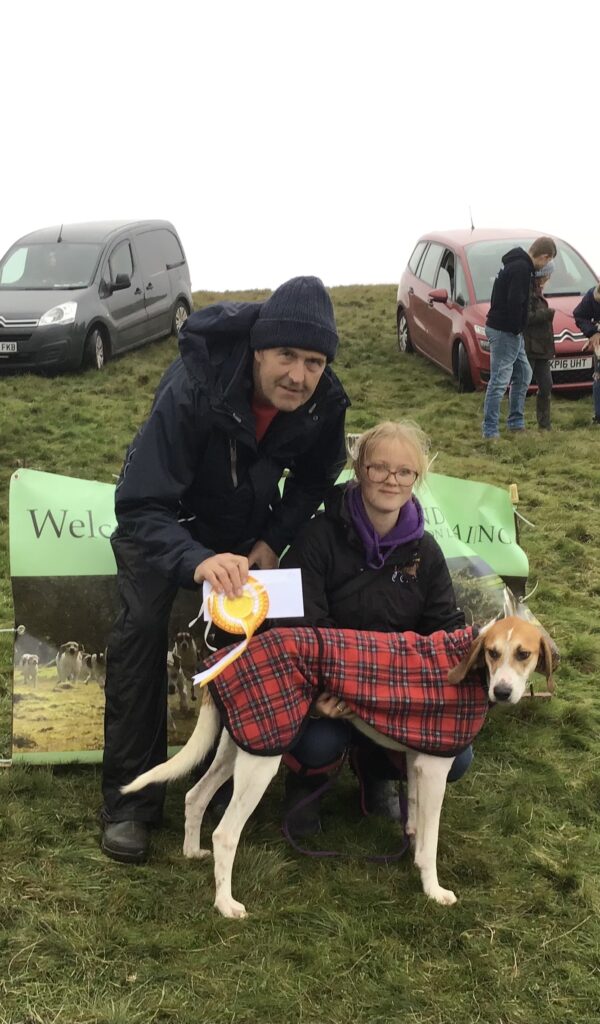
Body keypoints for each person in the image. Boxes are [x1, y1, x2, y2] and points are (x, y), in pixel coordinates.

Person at [101, 276, 350, 863]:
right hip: (161, 524)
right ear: (259, 349)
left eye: (314, 362)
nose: (299, 375)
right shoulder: (193, 384)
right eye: (286, 355)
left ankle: (227, 785)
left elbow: (317, 477)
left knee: (263, 639)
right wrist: (195, 559)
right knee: (140, 634)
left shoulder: (325, 400)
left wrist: (271, 539)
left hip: (244, 532)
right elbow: (139, 503)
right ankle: (130, 805)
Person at [280, 420, 470, 836]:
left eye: (404, 471)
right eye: (379, 467)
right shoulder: (317, 536)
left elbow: (445, 630)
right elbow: (299, 625)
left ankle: (376, 770)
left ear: (417, 478)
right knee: (318, 741)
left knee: (458, 756)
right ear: (359, 468)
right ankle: (306, 779)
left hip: (393, 695)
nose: (391, 480)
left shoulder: (427, 552)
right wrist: (315, 696)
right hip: (327, 690)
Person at [482, 237, 557, 440]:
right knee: (499, 381)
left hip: (509, 330)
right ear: (545, 257)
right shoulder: (521, 269)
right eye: (548, 261)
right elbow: (515, 301)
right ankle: (490, 430)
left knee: (524, 373)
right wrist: (517, 328)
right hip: (505, 331)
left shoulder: (516, 264)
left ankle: (516, 422)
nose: (546, 265)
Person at [524, 262, 556, 430]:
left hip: (542, 348)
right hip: (530, 346)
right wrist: (548, 313)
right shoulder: (528, 291)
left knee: (546, 385)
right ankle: (515, 422)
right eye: (548, 275)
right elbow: (527, 317)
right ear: (542, 275)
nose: (549, 278)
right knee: (522, 384)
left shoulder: (537, 291)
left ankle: (544, 424)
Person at [573, 282, 600, 425]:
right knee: (598, 378)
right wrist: (592, 333)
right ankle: (598, 416)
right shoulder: (591, 296)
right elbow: (579, 315)